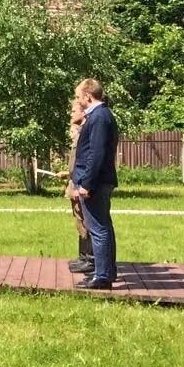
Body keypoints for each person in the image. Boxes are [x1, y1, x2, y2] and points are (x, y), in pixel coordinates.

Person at [71, 78, 119, 289]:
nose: (77, 100)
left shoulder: (99, 117)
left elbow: (96, 154)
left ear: (87, 96)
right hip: (98, 181)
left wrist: (86, 184)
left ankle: (102, 276)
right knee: (103, 228)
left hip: (95, 184)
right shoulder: (102, 115)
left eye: (78, 96)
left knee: (98, 229)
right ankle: (106, 272)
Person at [58, 101, 94, 275]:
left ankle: (90, 259)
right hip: (76, 180)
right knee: (79, 220)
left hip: (82, 183)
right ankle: (84, 257)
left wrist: (79, 183)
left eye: (73, 110)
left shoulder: (85, 134)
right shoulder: (80, 133)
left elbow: (87, 161)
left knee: (86, 221)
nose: (71, 114)